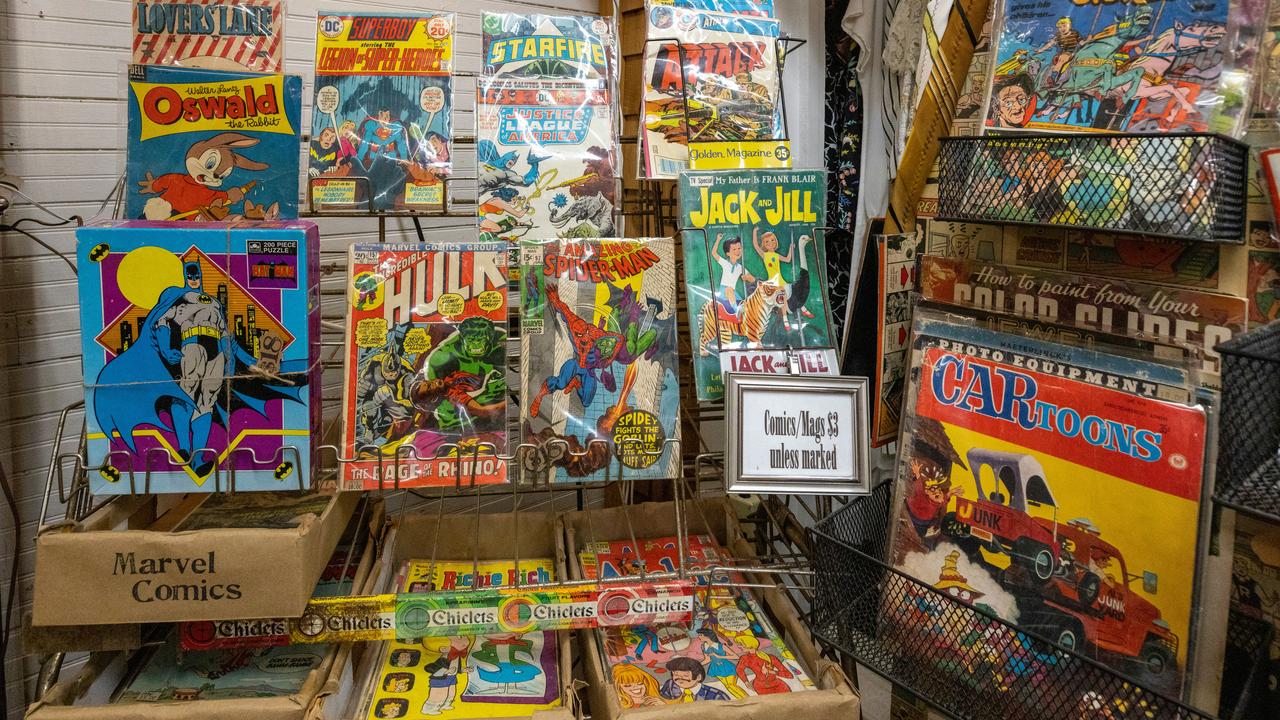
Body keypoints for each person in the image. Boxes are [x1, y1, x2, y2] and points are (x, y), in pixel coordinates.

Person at [660, 656, 730, 702]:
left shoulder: (717, 696)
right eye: (676, 674)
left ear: (698, 677)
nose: (680, 678)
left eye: (685, 675)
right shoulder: (670, 687)